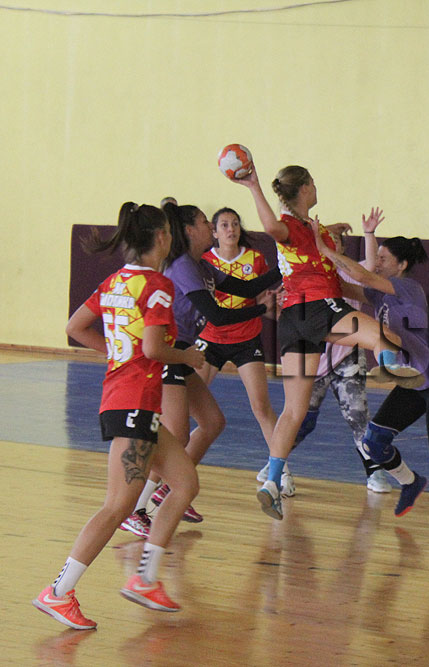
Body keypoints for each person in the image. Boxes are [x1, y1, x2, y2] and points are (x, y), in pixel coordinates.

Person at [34, 203, 204, 630]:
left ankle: (145, 578)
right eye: (168, 234)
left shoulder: (115, 282)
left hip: (129, 401)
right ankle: (59, 592)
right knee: (117, 506)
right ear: (161, 237)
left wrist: (116, 354)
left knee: (184, 483)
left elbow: (75, 327)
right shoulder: (157, 285)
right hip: (133, 403)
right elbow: (153, 349)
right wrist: (187, 356)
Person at [232, 163, 423, 520]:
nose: (317, 187)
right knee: (386, 338)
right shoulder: (289, 225)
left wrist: (329, 231)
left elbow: (325, 258)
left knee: (294, 411)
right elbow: (273, 227)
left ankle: (272, 481)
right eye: (313, 183)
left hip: (294, 320)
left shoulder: (309, 228)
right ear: (305, 188)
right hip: (320, 307)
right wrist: (253, 185)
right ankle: (390, 369)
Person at [308, 211, 429, 542]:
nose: (378, 262)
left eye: (384, 258)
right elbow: (345, 285)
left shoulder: (407, 288)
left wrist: (325, 249)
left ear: (401, 265)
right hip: (412, 384)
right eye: (378, 257)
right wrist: (313, 271)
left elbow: (363, 275)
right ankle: (410, 482)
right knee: (373, 442)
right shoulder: (380, 294)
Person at [120, 203, 279, 534]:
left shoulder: (201, 266)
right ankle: (136, 508)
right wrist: (259, 311)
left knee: (212, 422)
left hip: (183, 352)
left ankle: (168, 491)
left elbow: (247, 288)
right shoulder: (182, 267)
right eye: (206, 222)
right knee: (176, 435)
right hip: (167, 353)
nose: (211, 227)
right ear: (190, 230)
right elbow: (217, 315)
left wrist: (290, 264)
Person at [255, 223, 392, 494]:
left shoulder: (349, 272)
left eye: (337, 241)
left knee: (358, 416)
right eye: (328, 239)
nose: (332, 244)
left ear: (340, 247)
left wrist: (368, 234)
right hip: (314, 359)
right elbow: (285, 313)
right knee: (301, 418)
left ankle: (374, 471)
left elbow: (370, 266)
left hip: (346, 359)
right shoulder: (305, 276)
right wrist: (269, 307)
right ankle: (275, 464)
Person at [195, 208, 287, 493]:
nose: (231, 229)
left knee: (261, 407)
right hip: (211, 339)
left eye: (235, 223)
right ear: (214, 231)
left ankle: (281, 472)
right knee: (187, 401)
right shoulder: (204, 262)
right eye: (224, 225)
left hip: (246, 339)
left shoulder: (255, 259)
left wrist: (277, 310)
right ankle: (173, 465)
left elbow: (261, 301)